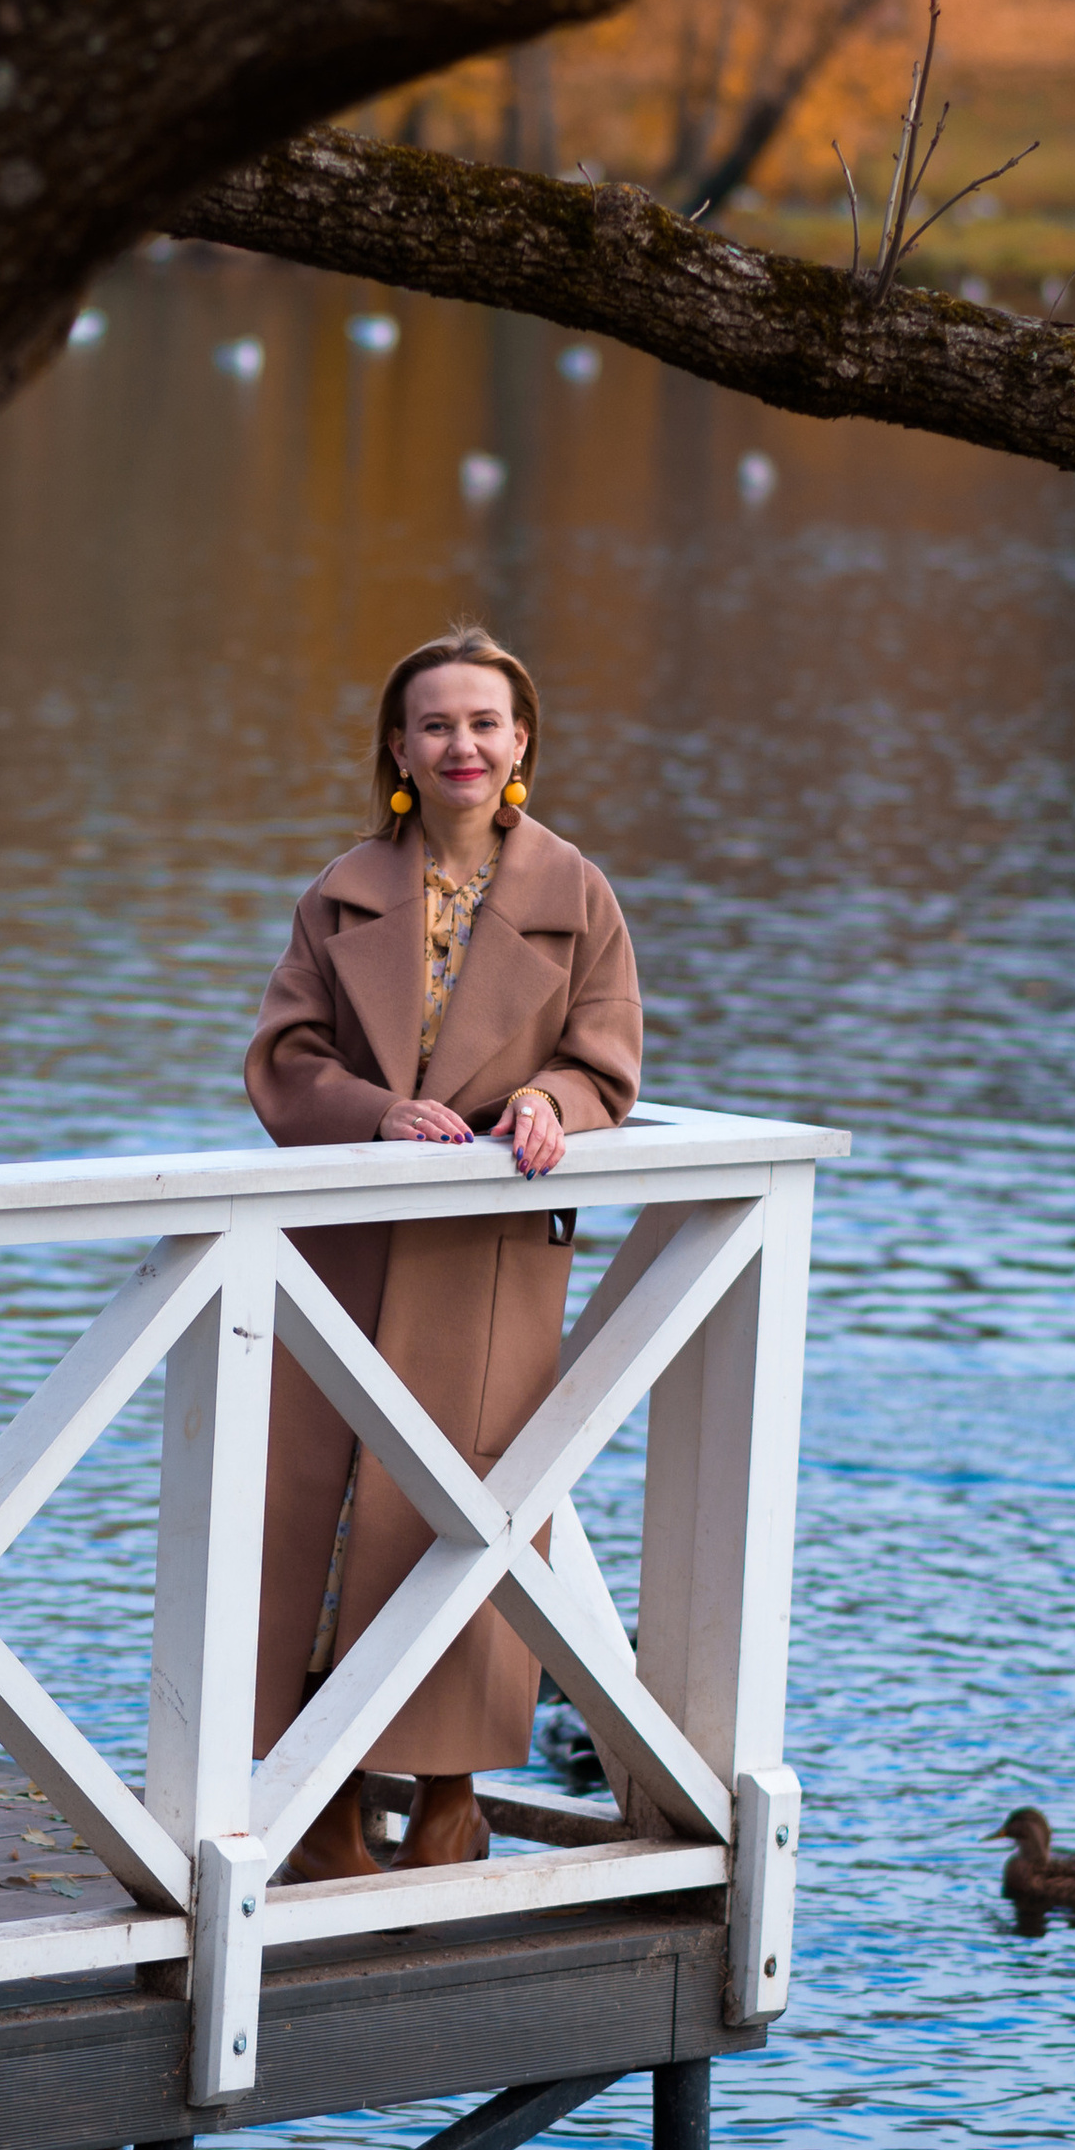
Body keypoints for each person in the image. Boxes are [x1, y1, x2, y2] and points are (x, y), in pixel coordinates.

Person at [245, 625, 643, 1880]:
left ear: (520, 743)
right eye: (435, 724)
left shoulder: (576, 894)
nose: (460, 744)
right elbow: (282, 1060)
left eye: (484, 722)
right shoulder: (343, 888)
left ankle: (453, 1797)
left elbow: (607, 1058)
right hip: (348, 1251)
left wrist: (553, 1105)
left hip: (487, 1258)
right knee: (323, 1516)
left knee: (464, 1511)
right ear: (398, 749)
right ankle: (321, 1801)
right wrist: (375, 1112)